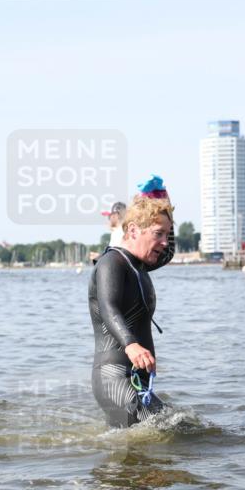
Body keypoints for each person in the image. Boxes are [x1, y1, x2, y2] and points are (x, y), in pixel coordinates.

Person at [89, 175, 175, 428]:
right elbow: (109, 307)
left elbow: (168, 252)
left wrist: (163, 203)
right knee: (169, 433)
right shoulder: (111, 263)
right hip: (114, 377)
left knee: (178, 431)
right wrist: (131, 345)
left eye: (167, 234)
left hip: (136, 378)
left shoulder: (139, 266)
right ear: (133, 230)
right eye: (158, 234)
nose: (164, 242)